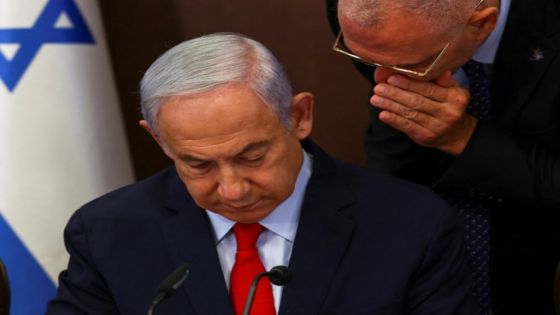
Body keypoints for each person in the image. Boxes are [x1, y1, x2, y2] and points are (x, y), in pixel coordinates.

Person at [46, 32, 477, 314]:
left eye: (252, 156)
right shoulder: (108, 232)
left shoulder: (411, 224)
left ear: (299, 116)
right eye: (198, 164)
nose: (232, 189)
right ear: (159, 141)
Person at [327, 0, 560, 314]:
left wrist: (464, 138)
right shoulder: (356, 11)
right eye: (366, 60)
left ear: (482, 24)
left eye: (410, 65)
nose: (384, 81)